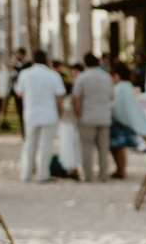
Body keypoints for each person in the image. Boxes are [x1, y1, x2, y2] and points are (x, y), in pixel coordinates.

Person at [15, 49, 66, 182]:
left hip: (31, 112)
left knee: (29, 143)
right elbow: (59, 97)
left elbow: (19, 93)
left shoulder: (25, 74)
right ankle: (42, 174)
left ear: (33, 60)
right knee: (46, 145)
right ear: (47, 60)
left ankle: (26, 173)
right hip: (49, 113)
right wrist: (60, 112)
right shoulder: (54, 75)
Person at [71, 53, 116, 182]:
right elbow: (111, 96)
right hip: (104, 117)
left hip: (88, 117)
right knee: (103, 147)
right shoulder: (107, 77)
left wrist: (77, 114)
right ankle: (103, 175)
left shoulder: (82, 78)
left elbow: (76, 98)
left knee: (87, 147)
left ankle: (88, 175)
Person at [110, 62, 146, 179]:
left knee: (119, 147)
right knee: (115, 147)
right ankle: (120, 169)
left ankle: (121, 170)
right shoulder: (126, 86)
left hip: (119, 121)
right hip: (119, 120)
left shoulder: (122, 87)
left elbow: (117, 105)